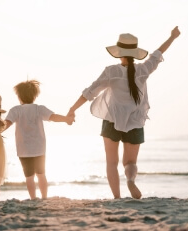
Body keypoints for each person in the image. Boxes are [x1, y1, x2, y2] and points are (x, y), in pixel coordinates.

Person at [67, 27, 181, 199]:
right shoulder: (143, 70)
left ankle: (117, 198)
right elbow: (157, 53)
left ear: (119, 52)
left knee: (111, 163)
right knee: (130, 162)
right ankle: (130, 180)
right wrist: (172, 37)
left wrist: (72, 109)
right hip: (135, 121)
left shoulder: (111, 72)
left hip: (112, 120)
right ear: (134, 53)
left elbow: (89, 92)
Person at [4, 80, 74, 200]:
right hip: (39, 148)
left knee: (29, 176)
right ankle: (44, 197)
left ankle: (33, 198)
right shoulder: (39, 109)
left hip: (23, 149)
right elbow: (54, 117)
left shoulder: (15, 110)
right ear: (34, 95)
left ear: (19, 96)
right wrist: (67, 119)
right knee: (41, 175)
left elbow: (6, 124)